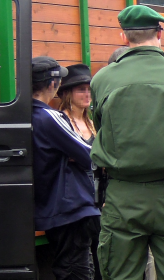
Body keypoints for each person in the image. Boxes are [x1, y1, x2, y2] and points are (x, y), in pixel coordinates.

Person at [91, 5, 164, 280]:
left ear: (123, 37)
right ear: (160, 33)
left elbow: (100, 128)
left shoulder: (102, 80)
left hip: (123, 195)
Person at [32, 57, 99, 280]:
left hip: (51, 206)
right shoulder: (50, 116)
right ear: (53, 84)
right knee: (77, 270)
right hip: (70, 208)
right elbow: (89, 155)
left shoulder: (27, 114)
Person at [57, 64, 102, 280]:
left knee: (101, 259)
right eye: (80, 89)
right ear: (68, 93)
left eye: (89, 89)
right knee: (79, 265)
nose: (87, 94)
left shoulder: (92, 123)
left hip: (97, 201)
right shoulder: (61, 121)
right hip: (75, 202)